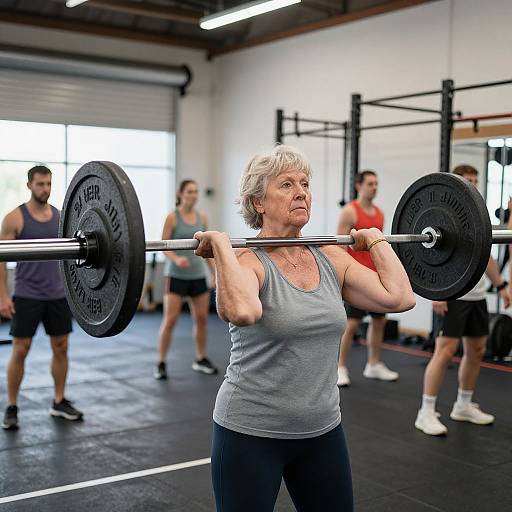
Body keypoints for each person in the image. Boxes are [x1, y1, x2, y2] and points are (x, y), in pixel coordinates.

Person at [193, 145, 415, 512]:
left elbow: (400, 298)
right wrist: (221, 249)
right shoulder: (249, 260)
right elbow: (242, 311)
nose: (301, 192)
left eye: (305, 184)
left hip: (323, 431)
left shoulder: (329, 255)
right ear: (258, 203)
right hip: (250, 432)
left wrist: (377, 241)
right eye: (286, 184)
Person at [415, 164, 510, 436]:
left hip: (477, 294)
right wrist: (437, 293)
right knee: (444, 351)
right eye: (466, 180)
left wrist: (501, 285)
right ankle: (426, 411)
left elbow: (487, 257)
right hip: (452, 295)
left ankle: (463, 405)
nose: (472, 185)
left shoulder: (478, 219)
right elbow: (431, 255)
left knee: (477, 350)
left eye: (475, 180)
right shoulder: (444, 218)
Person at [1, 165, 83, 430]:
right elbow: (0, 260)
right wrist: (2, 295)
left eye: (48, 183)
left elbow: (74, 257)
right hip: (27, 294)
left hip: (57, 294)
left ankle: (58, 401)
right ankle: (12, 405)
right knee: (20, 350)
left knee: (61, 347)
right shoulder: (14, 218)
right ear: (29, 185)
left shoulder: (61, 217)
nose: (45, 189)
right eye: (40, 184)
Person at [336, 170, 399, 387]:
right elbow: (340, 246)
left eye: (376, 183)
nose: (374, 187)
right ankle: (340, 367)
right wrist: (342, 278)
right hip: (355, 278)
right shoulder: (350, 212)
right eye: (370, 183)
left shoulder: (380, 214)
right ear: (359, 185)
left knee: (379, 320)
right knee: (351, 324)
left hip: (375, 275)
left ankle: (373, 364)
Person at [154, 179, 217, 380]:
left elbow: (207, 249)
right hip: (176, 275)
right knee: (170, 320)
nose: (194, 195)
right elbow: (164, 246)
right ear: (180, 194)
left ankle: (200, 359)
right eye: (190, 191)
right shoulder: (173, 218)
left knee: (201, 319)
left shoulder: (202, 217)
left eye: (196, 191)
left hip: (197, 275)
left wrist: (215, 274)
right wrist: (176, 258)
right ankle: (161, 362)